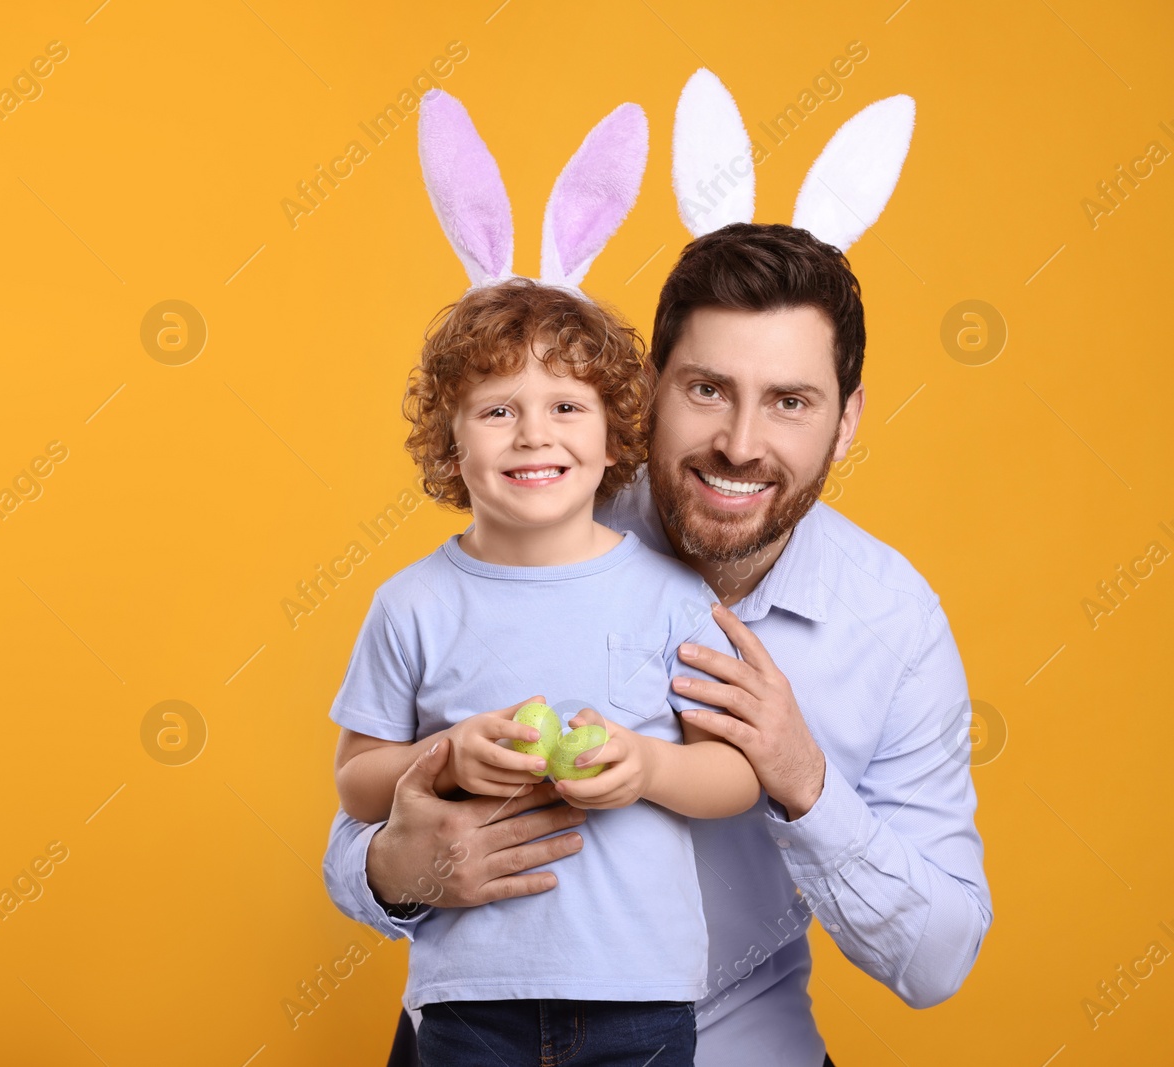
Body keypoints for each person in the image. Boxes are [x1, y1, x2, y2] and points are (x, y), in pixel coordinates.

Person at [322, 223, 993, 1067]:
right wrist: (399, 870)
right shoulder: (546, 510)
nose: (741, 443)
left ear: (846, 419)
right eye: (708, 389)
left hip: (729, 1040)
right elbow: (367, 806)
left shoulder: (893, 622)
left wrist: (804, 782)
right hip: (483, 1024)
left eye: (791, 401)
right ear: (648, 388)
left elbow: (938, 959)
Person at [331, 277, 760, 1065]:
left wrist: (648, 765)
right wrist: (449, 754)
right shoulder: (411, 605)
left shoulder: (670, 597)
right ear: (451, 442)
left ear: (613, 435)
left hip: (641, 992)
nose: (534, 434)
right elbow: (357, 780)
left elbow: (734, 773)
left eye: (567, 406)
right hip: (469, 998)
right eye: (498, 410)